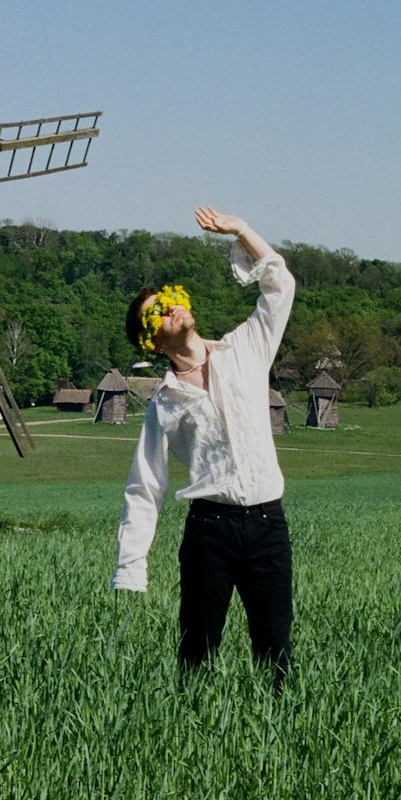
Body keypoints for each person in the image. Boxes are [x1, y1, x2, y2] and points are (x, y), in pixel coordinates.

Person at [112, 207, 296, 688]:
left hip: (267, 523)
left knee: (276, 651)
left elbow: (280, 288)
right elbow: (145, 486)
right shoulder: (165, 404)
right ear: (153, 341)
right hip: (209, 532)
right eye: (157, 310)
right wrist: (131, 569)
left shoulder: (246, 350)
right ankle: (191, 740)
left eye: (169, 298)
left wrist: (242, 231)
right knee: (196, 653)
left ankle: (280, 742)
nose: (172, 307)